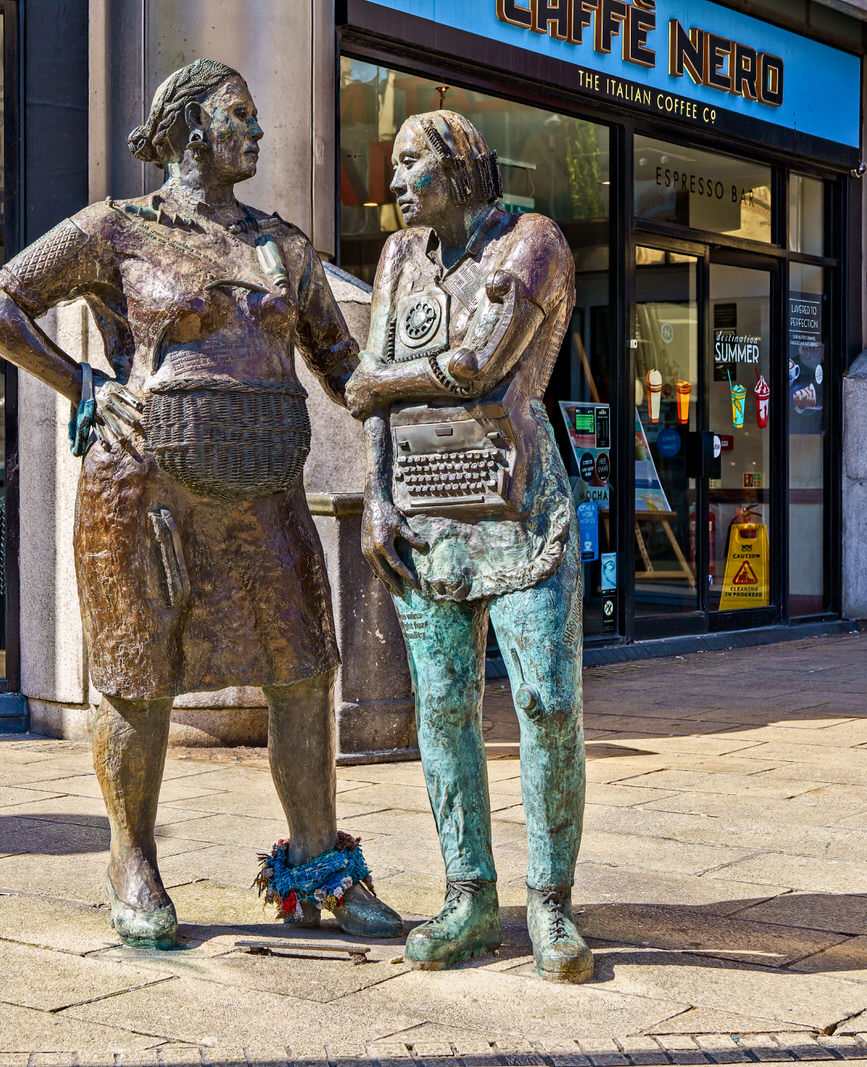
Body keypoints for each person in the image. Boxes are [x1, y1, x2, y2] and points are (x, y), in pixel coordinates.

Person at [0, 58, 401, 949]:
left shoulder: (284, 246)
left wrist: (431, 400)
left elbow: (341, 363)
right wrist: (82, 380)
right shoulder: (116, 229)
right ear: (192, 130)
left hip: (266, 488)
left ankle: (320, 863)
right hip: (143, 490)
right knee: (137, 677)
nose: (257, 131)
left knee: (305, 669)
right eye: (240, 115)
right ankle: (133, 859)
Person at [344, 110, 590, 981]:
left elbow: (480, 364)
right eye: (395, 167)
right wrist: (376, 496)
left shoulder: (533, 242)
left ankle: (550, 901)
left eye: (413, 165)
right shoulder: (401, 257)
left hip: (519, 509)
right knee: (442, 707)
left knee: (548, 701)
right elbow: (371, 397)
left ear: (462, 166)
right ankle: (469, 897)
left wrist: (375, 379)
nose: (397, 182)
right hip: (423, 510)